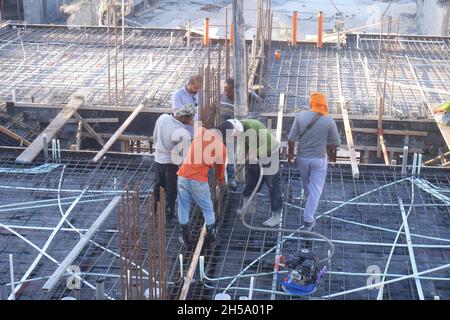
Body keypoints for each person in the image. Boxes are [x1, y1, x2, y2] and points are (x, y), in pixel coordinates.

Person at [287, 93, 341, 231]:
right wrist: (326, 147)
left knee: (307, 183)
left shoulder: (301, 116)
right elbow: (336, 142)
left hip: (302, 158)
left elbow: (291, 138)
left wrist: (291, 154)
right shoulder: (329, 120)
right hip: (318, 159)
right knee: (316, 190)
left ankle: (308, 199)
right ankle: (308, 219)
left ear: (311, 103)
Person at [176, 122, 229, 248]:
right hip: (198, 179)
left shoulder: (201, 132)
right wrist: (222, 183)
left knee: (183, 206)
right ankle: (212, 238)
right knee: (207, 208)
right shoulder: (222, 148)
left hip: (182, 175)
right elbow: (220, 170)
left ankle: (184, 237)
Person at [230, 118, 283, 227]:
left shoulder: (253, 126)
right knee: (251, 180)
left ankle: (276, 216)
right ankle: (248, 207)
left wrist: (255, 153)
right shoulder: (240, 130)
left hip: (270, 153)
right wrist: (240, 160)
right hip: (256, 155)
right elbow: (244, 146)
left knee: (272, 185)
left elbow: (270, 144)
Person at [153, 104, 195, 222]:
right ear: (182, 117)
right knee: (170, 191)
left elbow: (155, 137)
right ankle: (168, 216)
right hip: (171, 164)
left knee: (158, 187)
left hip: (158, 160)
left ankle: (155, 212)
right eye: (190, 118)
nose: (192, 122)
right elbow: (183, 156)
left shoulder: (162, 118)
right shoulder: (182, 132)